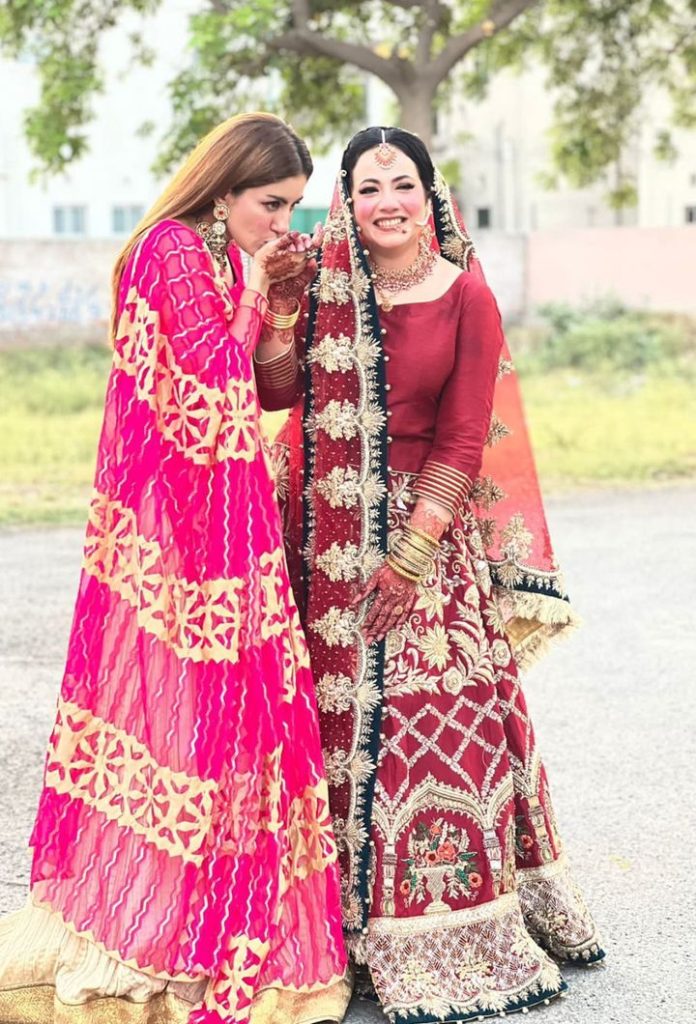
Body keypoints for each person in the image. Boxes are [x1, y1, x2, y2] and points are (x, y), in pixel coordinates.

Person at [0, 112, 349, 1024]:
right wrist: (259, 301)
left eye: (292, 209)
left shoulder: (218, 254)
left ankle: (212, 925)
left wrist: (268, 293)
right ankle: (171, 933)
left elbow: (246, 384)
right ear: (225, 186)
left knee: (234, 733)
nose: (282, 224)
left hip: (226, 529)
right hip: (187, 540)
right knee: (198, 729)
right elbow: (210, 389)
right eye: (272, 204)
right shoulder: (170, 249)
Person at [254, 126, 604, 1022]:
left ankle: (438, 926)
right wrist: (286, 305)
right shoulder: (331, 283)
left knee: (428, 723)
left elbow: (461, 434)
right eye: (366, 189)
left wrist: (414, 551)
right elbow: (278, 391)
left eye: (400, 184)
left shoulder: (467, 297)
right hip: (323, 538)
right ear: (347, 201)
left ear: (430, 194)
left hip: (424, 540)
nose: (385, 205)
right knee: (319, 727)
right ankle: (331, 928)